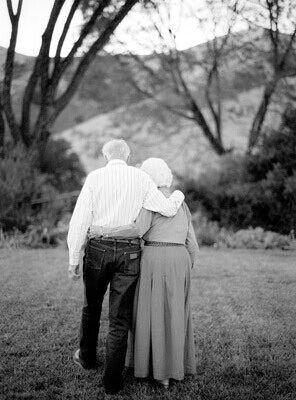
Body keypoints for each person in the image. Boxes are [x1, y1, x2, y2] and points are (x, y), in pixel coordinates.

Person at [67, 140, 184, 394]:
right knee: (119, 319)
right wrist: (178, 194)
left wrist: (74, 258)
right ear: (129, 155)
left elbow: (80, 219)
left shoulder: (95, 177)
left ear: (104, 155)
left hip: (98, 249)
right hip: (129, 252)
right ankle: (112, 382)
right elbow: (165, 208)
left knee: (92, 307)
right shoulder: (141, 178)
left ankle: (86, 359)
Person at [90, 158, 199, 389]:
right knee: (174, 314)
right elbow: (193, 243)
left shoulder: (150, 201)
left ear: (147, 177)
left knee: (152, 313)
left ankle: (155, 370)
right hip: (180, 259)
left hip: (154, 259)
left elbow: (137, 230)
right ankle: (171, 369)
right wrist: (188, 265)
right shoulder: (182, 204)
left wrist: (105, 230)